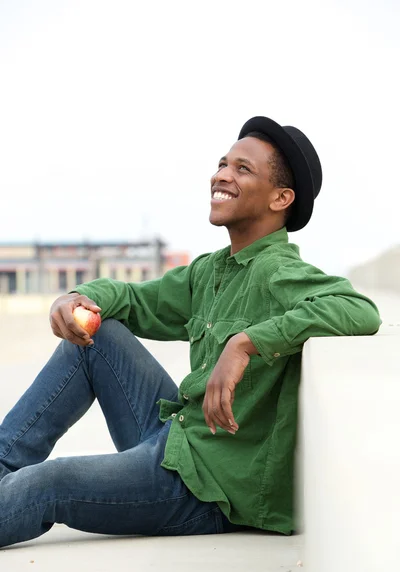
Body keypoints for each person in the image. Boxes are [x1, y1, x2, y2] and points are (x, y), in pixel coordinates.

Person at [0, 116, 381, 548]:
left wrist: (246, 343)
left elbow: (358, 310)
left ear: (281, 198)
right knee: (97, 338)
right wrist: (74, 297)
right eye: (223, 163)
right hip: (178, 438)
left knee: (49, 484)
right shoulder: (211, 270)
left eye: (243, 169)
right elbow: (132, 297)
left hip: (206, 490)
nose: (221, 175)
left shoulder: (280, 272)